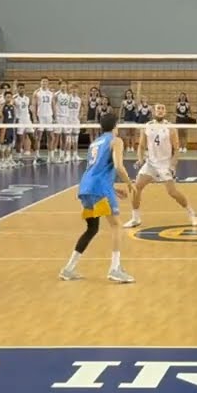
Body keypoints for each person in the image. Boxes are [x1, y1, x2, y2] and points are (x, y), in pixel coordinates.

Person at [60, 113, 135, 283]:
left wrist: (113, 188)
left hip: (86, 188)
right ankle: (115, 269)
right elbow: (118, 166)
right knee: (116, 226)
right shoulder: (116, 141)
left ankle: (69, 268)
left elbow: (96, 170)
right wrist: (129, 183)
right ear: (116, 125)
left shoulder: (95, 142)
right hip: (99, 188)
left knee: (92, 229)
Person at [124, 103, 197, 229]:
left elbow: (176, 150)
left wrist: (173, 166)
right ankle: (135, 218)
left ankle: (192, 213)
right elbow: (141, 146)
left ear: (165, 112)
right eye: (158, 108)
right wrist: (140, 159)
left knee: (172, 192)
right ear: (153, 111)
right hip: (151, 164)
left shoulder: (170, 127)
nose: (160, 111)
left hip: (165, 164)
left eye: (163, 109)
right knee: (137, 188)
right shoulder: (147, 126)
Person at [34, 78, 56, 163]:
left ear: (48, 83)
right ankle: (37, 156)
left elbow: (53, 105)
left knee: (51, 136)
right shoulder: (37, 93)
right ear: (40, 82)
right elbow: (34, 105)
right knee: (38, 137)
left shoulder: (51, 93)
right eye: (43, 81)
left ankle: (50, 156)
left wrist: (55, 117)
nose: (44, 83)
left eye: (46, 81)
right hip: (40, 116)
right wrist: (35, 118)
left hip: (49, 116)